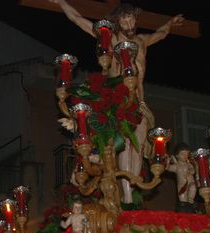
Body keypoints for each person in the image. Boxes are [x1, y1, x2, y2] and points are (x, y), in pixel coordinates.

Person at [49, 0, 185, 204]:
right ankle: (127, 198)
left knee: (138, 145)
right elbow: (79, 21)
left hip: (138, 101)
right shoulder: (109, 40)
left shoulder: (142, 42)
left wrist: (170, 23)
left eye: (132, 20)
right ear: (118, 22)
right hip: (117, 100)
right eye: (125, 20)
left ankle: (131, 188)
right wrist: (61, 3)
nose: (129, 24)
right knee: (125, 143)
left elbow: (161, 33)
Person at [166, 143, 197, 211]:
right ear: (177, 155)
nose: (185, 156)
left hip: (191, 181)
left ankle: (191, 199)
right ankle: (184, 207)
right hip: (182, 185)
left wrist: (191, 172)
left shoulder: (189, 164)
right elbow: (168, 168)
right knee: (183, 199)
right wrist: (168, 162)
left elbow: (193, 170)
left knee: (193, 188)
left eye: (187, 154)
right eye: (182, 154)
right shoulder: (176, 166)